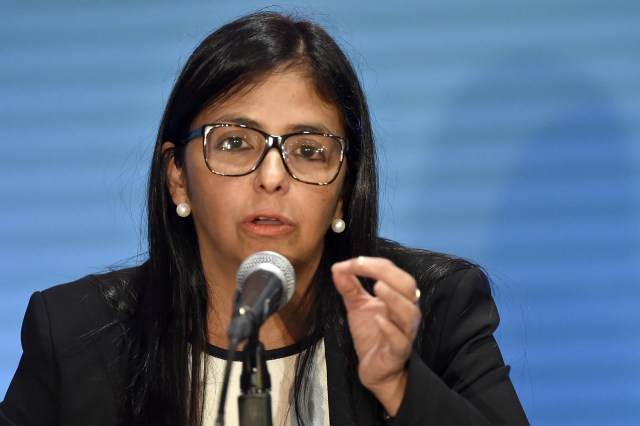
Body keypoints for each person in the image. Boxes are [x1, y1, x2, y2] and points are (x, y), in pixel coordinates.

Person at [0, 11, 528, 426]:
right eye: (234, 142)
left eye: (308, 150)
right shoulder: (79, 335)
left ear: (344, 191)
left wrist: (400, 383)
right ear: (178, 178)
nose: (273, 176)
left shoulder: (427, 310)